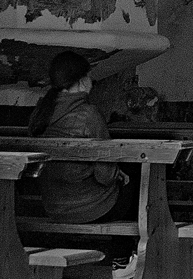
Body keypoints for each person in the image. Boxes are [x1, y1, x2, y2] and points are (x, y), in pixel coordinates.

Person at [27, 50, 125, 223]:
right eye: (88, 76)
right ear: (81, 81)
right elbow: (105, 176)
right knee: (137, 184)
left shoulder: (41, 112)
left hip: (53, 206)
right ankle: (124, 249)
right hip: (89, 208)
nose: (91, 81)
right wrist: (118, 174)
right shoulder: (88, 115)